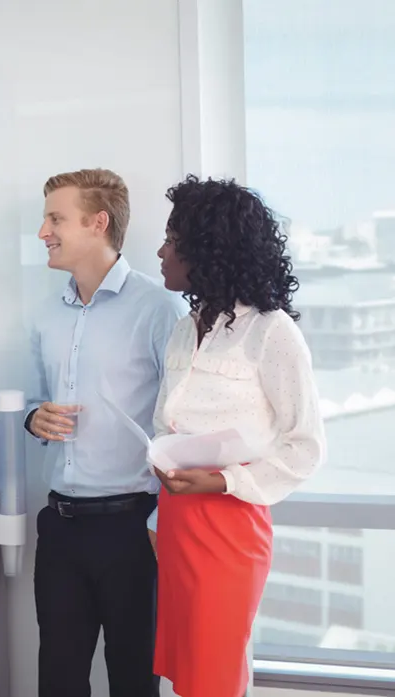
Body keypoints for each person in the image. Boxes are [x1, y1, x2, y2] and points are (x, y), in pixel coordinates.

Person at [150, 175, 326, 697]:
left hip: (229, 526)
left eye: (172, 240)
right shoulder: (187, 328)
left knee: (215, 676)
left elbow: (306, 446)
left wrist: (220, 481)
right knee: (185, 675)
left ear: (206, 248)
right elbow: (169, 424)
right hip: (175, 522)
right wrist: (161, 507)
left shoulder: (272, 333)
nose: (160, 251)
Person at [25, 169, 185, 697]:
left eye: (55, 218)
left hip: (134, 532)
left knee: (134, 683)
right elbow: (32, 396)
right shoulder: (47, 313)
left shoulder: (161, 309)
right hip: (61, 527)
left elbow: (182, 424)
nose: (43, 230)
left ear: (98, 223)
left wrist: (163, 520)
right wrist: (34, 417)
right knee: (59, 683)